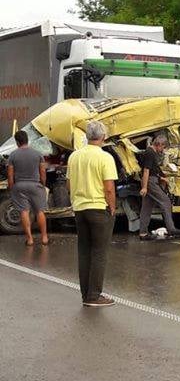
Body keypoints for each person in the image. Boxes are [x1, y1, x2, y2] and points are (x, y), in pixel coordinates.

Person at [66, 121, 118, 307]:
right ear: (103, 137)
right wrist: (112, 207)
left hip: (80, 208)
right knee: (99, 252)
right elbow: (109, 188)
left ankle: (85, 293)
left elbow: (69, 184)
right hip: (98, 208)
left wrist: (75, 200)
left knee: (84, 251)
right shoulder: (105, 158)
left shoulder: (74, 157)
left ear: (88, 136)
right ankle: (94, 295)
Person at [139, 134, 180, 241]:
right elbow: (146, 171)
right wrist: (144, 187)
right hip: (150, 182)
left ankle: (143, 233)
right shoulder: (150, 153)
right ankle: (171, 229)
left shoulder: (151, 152)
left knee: (146, 208)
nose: (163, 151)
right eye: (163, 148)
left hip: (151, 181)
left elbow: (152, 169)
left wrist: (161, 177)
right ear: (159, 144)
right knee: (166, 202)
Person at [7, 129, 49, 246]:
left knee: (24, 212)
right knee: (39, 211)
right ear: (27, 140)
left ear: (17, 142)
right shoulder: (38, 154)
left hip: (19, 186)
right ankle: (44, 238)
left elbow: (10, 175)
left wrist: (11, 187)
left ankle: (30, 239)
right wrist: (43, 184)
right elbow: (42, 171)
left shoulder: (13, 155)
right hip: (35, 185)